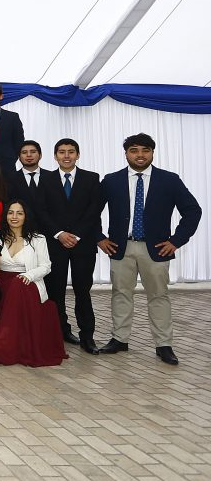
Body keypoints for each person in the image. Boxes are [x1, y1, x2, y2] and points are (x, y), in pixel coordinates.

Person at [97, 133, 201, 365]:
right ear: (126, 154)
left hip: (156, 249)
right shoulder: (112, 180)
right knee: (121, 294)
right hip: (120, 247)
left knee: (158, 296)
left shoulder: (169, 180)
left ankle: (164, 345)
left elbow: (193, 210)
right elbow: (91, 211)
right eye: (134, 150)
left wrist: (176, 241)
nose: (140, 155)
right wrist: (100, 238)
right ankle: (119, 339)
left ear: (153, 152)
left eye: (145, 150)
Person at [36, 139, 102, 351]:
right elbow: (41, 210)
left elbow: (94, 210)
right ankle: (60, 332)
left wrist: (77, 235)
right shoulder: (45, 179)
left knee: (83, 291)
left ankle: (87, 336)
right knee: (56, 291)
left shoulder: (92, 178)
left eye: (71, 152)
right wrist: (59, 234)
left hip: (83, 245)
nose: (66, 156)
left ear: (78, 155)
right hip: (55, 244)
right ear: (55, 156)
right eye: (62, 152)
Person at [0, 200, 65, 367]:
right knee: (14, 286)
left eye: (19, 213)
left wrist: (29, 275)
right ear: (5, 215)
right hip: (1, 282)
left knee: (18, 284)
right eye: (10, 212)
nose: (14, 217)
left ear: (26, 216)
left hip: (29, 281)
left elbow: (46, 266)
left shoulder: (38, 239)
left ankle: (7, 346)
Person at [7, 140, 49, 215]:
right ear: (19, 157)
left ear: (40, 155)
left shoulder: (51, 177)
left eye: (33, 152)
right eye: (24, 152)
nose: (29, 155)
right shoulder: (10, 179)